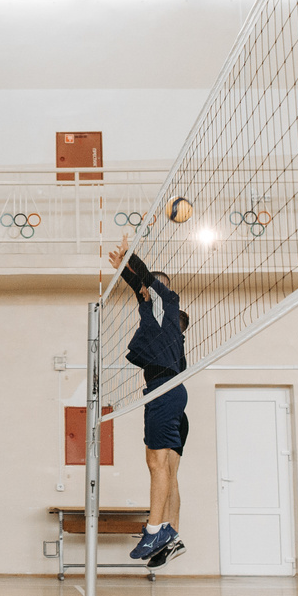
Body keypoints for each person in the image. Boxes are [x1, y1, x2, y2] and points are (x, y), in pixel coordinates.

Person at [107, 235, 191, 567]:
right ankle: (172, 535)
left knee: (156, 465)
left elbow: (146, 281)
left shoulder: (165, 301)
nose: (143, 291)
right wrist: (125, 273)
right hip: (172, 392)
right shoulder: (160, 319)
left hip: (163, 391)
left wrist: (130, 258)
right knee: (167, 469)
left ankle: (155, 530)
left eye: (148, 288)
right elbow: (140, 284)